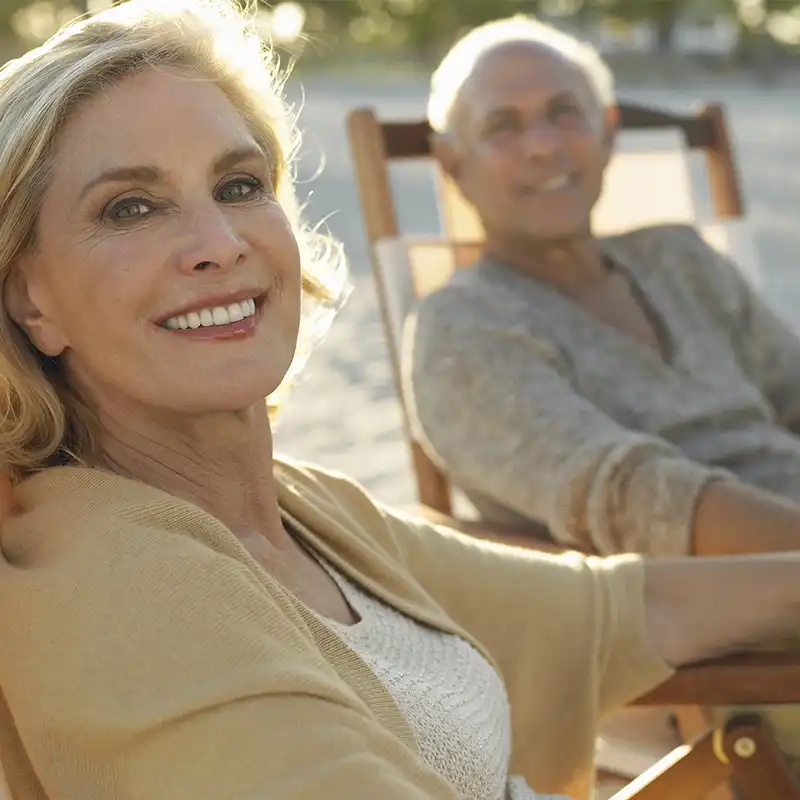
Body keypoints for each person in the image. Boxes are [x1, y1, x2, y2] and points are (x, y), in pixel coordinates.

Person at [0, 3, 798, 800]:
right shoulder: (124, 598)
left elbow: (600, 610)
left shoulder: (304, 514)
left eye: (240, 185)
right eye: (129, 208)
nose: (220, 243)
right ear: (30, 297)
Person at [404, 15, 800, 560]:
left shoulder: (680, 258)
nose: (542, 146)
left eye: (564, 113)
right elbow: (637, 504)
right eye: (502, 126)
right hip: (729, 605)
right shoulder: (461, 328)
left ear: (608, 133)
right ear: (453, 163)